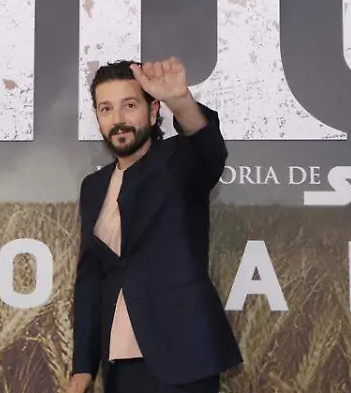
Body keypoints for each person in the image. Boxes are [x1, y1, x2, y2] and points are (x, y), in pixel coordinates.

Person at [66, 57, 243, 393]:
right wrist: (83, 367)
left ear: (152, 112)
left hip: (182, 357)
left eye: (129, 105)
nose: (118, 119)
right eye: (106, 109)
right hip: (118, 364)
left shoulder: (178, 162)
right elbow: (90, 281)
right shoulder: (93, 187)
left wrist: (182, 102)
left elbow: (209, 150)